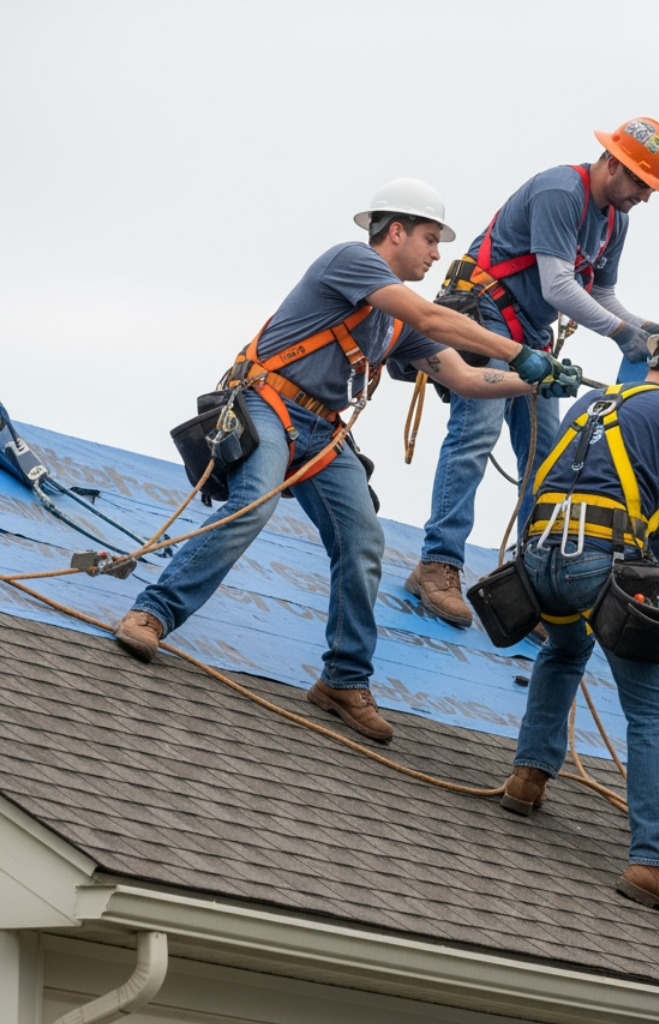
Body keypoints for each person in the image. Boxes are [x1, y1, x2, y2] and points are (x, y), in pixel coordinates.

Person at [113, 178, 581, 744]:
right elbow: (434, 319)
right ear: (396, 231)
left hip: (321, 432)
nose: (437, 254)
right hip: (270, 403)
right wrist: (520, 353)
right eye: (431, 239)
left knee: (362, 541)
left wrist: (535, 383)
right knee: (253, 505)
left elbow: (461, 376)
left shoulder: (397, 322)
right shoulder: (352, 261)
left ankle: (344, 679)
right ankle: (154, 613)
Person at [500, 321, 659, 922]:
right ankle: (655, 862)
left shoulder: (594, 402)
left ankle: (527, 777)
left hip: (537, 562)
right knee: (654, 712)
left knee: (564, 649)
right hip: (597, 563)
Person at [408, 117, 659, 629]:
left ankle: (532, 583)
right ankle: (437, 564)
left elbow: (600, 294)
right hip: (485, 314)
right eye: (641, 182)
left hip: (530, 334)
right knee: (475, 434)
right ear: (613, 163)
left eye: (651, 187)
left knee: (549, 459)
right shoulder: (561, 191)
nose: (644, 196)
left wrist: (644, 328)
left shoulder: (614, 221)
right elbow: (557, 287)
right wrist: (621, 332)